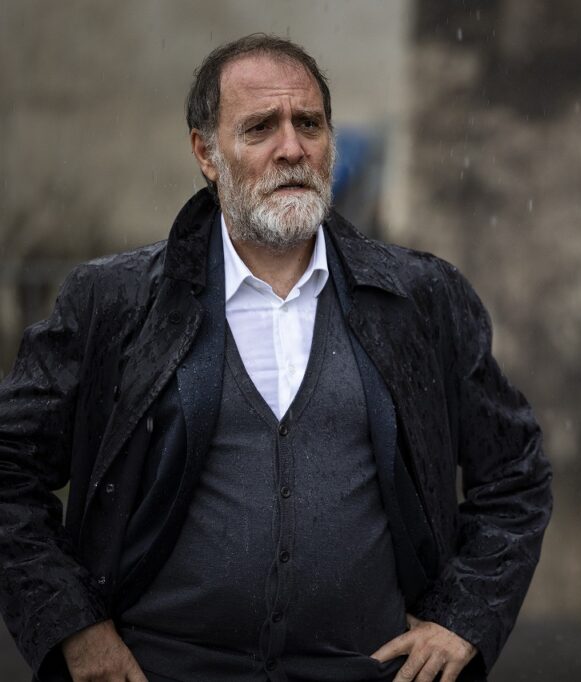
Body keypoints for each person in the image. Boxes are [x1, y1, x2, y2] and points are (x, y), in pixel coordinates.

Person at [0, 34, 552, 682]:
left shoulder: (419, 300)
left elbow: (516, 469)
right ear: (205, 153)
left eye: (309, 124)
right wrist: (75, 629)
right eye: (260, 127)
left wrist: (464, 618)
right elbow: (8, 467)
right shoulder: (117, 302)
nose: (292, 148)